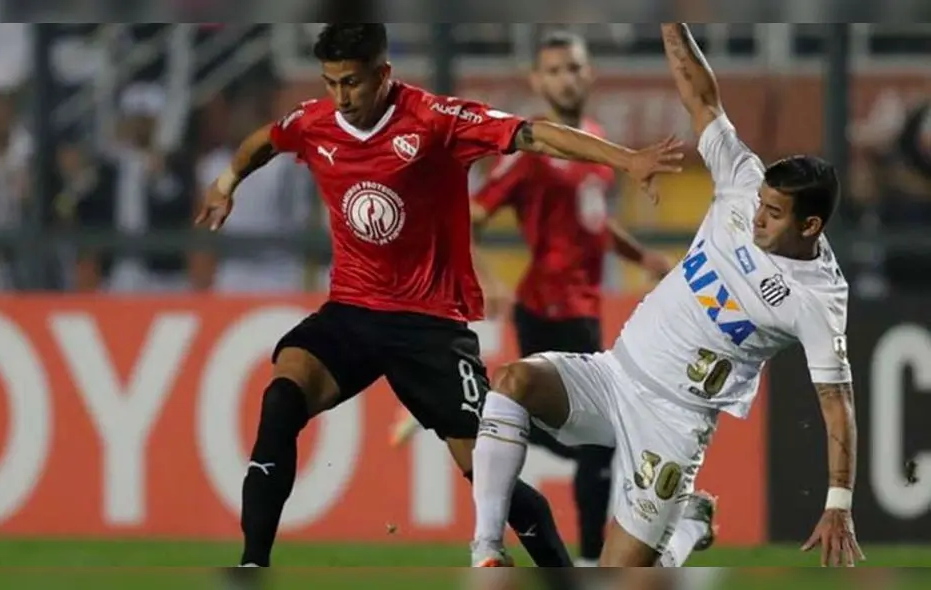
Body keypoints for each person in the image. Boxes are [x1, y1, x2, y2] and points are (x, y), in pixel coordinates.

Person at [195, 23, 683, 571]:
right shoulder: (317, 122)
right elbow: (267, 140)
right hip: (351, 313)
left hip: (428, 326)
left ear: (383, 74)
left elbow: (535, 134)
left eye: (352, 83)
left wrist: (626, 160)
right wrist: (226, 183)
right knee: (281, 399)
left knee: (488, 473)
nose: (341, 97)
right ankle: (252, 567)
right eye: (331, 83)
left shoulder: (436, 120)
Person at [468, 22, 864, 569]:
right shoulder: (744, 180)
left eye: (773, 215)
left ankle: (685, 530)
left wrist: (838, 503)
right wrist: (672, 27)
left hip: (673, 426)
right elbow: (701, 97)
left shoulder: (817, 298)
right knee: (512, 382)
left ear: (811, 225)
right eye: (760, 204)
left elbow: (836, 405)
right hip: (614, 375)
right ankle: (487, 551)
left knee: (619, 577)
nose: (756, 218)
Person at [390, 31, 673, 568]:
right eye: (556, 70)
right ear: (537, 82)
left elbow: (593, 219)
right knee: (600, 442)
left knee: (587, 436)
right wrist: (490, 280)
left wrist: (641, 258)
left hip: (584, 307)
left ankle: (494, 415)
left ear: (589, 73)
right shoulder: (527, 156)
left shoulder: (593, 138)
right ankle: (592, 561)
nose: (567, 77)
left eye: (574, 67)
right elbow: (467, 219)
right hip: (547, 308)